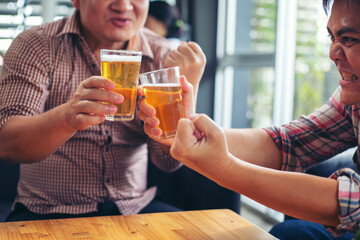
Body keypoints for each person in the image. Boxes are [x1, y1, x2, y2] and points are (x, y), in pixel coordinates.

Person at [138, 0, 360, 239]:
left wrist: (225, 168)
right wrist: (188, 130)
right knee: (290, 232)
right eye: (332, 38)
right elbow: (290, 143)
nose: (332, 54)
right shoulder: (352, 98)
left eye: (347, 39)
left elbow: (354, 205)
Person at [0, 0, 206, 221]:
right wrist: (68, 117)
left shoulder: (163, 55)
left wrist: (185, 97)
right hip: (47, 210)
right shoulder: (37, 44)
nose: (124, 5)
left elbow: (167, 162)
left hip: (134, 207)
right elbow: (7, 146)